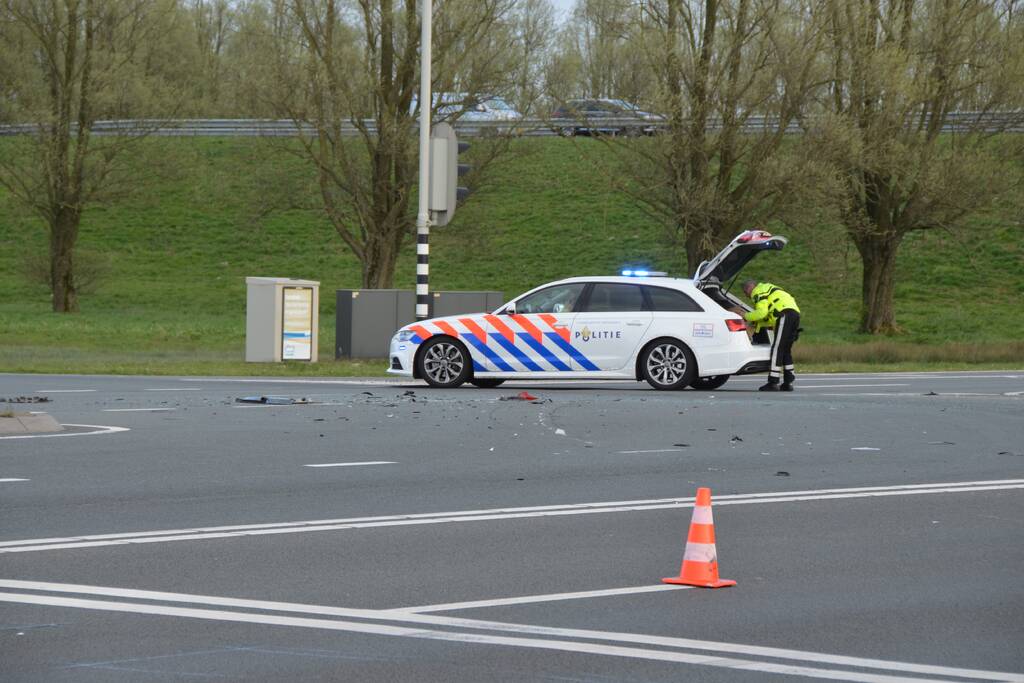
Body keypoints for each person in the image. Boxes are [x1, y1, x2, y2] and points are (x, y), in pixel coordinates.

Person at [742, 280, 801, 391]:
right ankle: (788, 382)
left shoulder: (757, 292)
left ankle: (773, 382)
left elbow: (761, 313)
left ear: (749, 289)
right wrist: (758, 325)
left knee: (777, 349)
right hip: (794, 314)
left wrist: (745, 316)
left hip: (784, 314)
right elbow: (769, 315)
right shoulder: (769, 288)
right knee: (785, 349)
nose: (747, 296)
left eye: (745, 293)